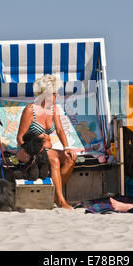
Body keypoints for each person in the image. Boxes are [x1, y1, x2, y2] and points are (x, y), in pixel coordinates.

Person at [16, 75, 77, 210]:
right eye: (55, 93)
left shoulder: (53, 108)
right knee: (54, 160)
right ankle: (61, 200)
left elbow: (60, 129)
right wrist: (29, 151)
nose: (57, 95)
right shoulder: (30, 110)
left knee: (70, 158)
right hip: (33, 150)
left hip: (47, 149)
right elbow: (20, 138)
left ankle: (55, 195)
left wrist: (66, 147)